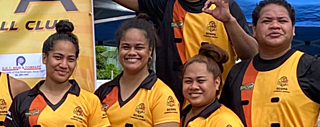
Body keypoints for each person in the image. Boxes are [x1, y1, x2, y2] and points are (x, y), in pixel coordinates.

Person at [110, 0, 257, 101]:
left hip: (219, 103)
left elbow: (251, 54)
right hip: (175, 106)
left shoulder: (225, 5)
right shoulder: (165, 4)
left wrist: (229, 21)